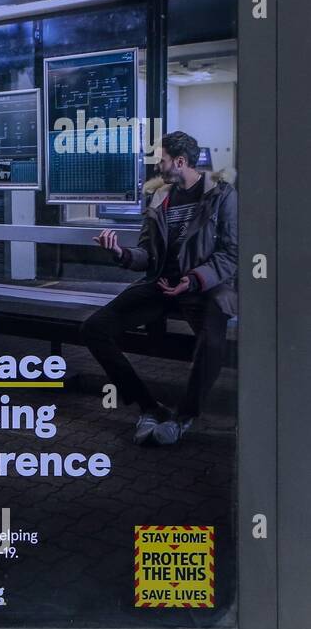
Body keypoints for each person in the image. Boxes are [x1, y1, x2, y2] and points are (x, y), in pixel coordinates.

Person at [81, 130, 237, 447]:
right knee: (94, 328)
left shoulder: (222, 196)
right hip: (161, 285)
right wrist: (121, 254)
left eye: (161, 160)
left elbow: (232, 254)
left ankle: (184, 417)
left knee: (213, 342)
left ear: (179, 162)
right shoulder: (159, 198)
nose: (157, 167)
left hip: (203, 288)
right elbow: (146, 255)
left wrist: (193, 279)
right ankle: (149, 408)